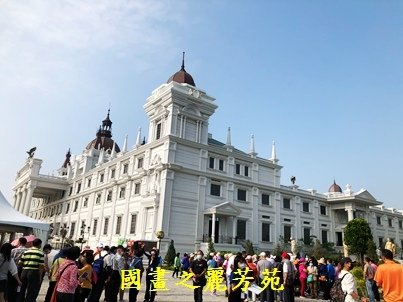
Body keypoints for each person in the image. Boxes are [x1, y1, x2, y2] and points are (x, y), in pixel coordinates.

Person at [8, 237, 28, 302]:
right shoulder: (27, 251)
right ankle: (19, 298)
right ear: (26, 243)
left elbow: (10, 260)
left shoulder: (13, 250)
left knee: (12, 285)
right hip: (23, 270)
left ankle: (11, 298)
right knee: (21, 285)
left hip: (13, 270)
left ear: (19, 242)